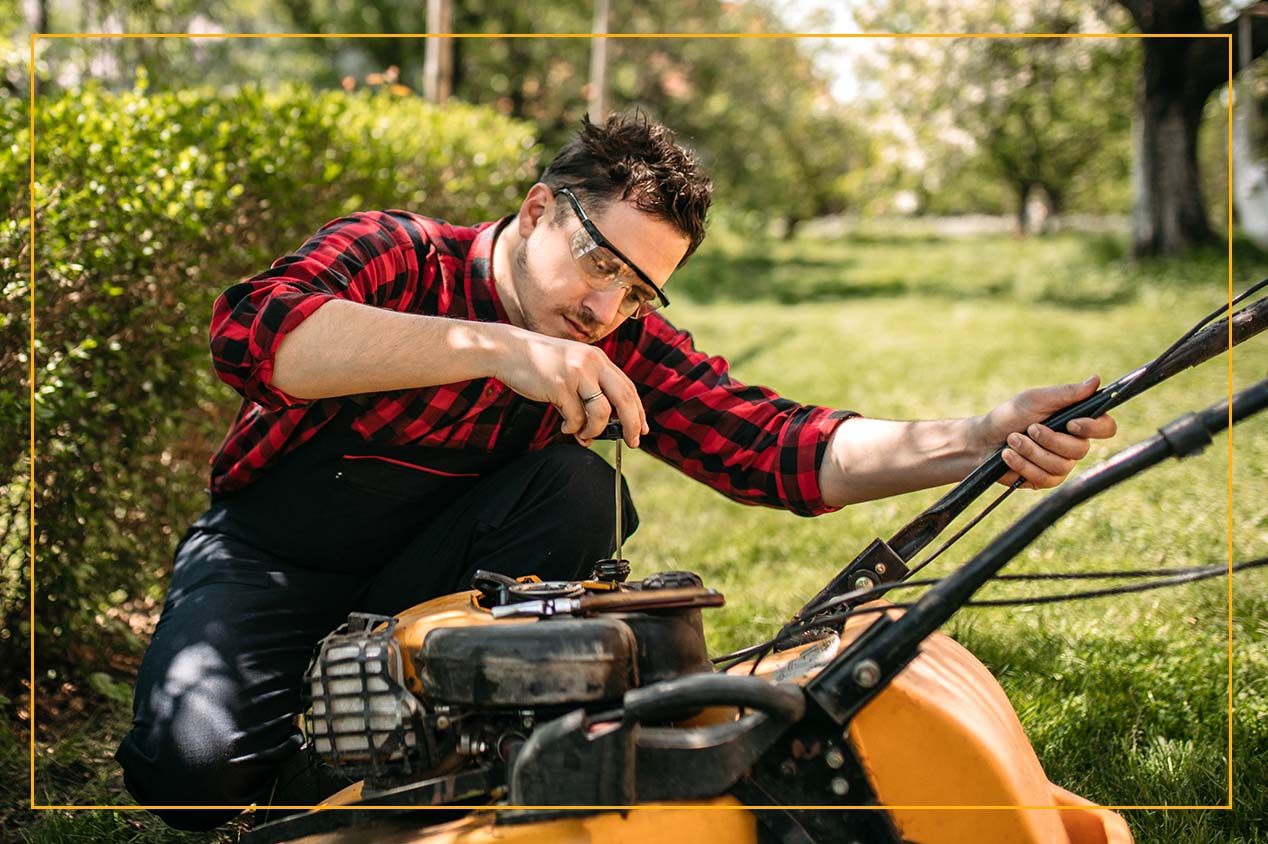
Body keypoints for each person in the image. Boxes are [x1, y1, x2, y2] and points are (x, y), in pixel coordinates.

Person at [115, 112, 1116, 830]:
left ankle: (439, 757)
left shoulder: (615, 339)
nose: (607, 313)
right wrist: (492, 348)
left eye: (640, 294)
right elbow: (253, 331)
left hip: (439, 575)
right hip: (274, 552)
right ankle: (331, 743)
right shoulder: (402, 254)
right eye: (601, 265)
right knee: (191, 782)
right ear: (539, 209)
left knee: (578, 487)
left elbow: (776, 446)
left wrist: (978, 435)